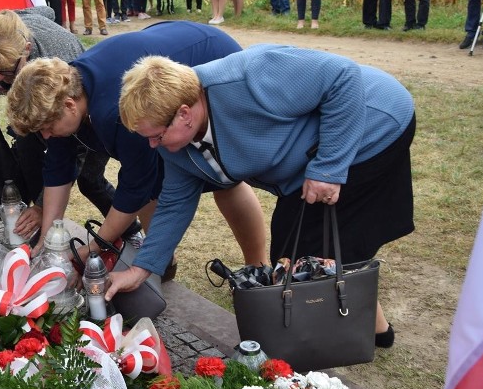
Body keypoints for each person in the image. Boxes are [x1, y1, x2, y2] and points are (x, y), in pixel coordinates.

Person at [117, 45, 416, 349]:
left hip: (373, 125)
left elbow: (343, 76)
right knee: (303, 250)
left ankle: (316, 345)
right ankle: (374, 331)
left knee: (307, 256)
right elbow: (174, 204)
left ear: (184, 114)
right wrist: (141, 269)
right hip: (312, 164)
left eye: (157, 135)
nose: (152, 145)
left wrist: (328, 167)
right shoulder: (178, 148)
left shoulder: (252, 76)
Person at [5, 22, 267, 277]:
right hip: (166, 50)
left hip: (208, 59)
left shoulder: (116, 111)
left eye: (47, 128)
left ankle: (258, 269)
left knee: (223, 179)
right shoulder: (64, 94)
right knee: (156, 185)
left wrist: (94, 247)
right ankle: (160, 262)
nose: (46, 136)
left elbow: (134, 186)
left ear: (70, 106)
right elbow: (58, 169)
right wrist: (46, 243)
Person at [0, 8, 141, 247]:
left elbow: (72, 153)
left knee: (89, 179)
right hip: (59, 108)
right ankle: (41, 220)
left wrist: (44, 205)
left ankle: (130, 232)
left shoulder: (58, 66)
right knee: (28, 150)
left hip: (87, 111)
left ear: (27, 50)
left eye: (3, 72)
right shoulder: (13, 27)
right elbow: (48, 10)